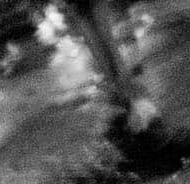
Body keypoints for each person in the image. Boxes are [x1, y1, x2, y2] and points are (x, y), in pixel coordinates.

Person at [60, 0, 157, 132]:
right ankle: (122, 92)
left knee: (102, 42)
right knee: (98, 44)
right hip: (77, 5)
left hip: (86, 5)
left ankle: (126, 93)